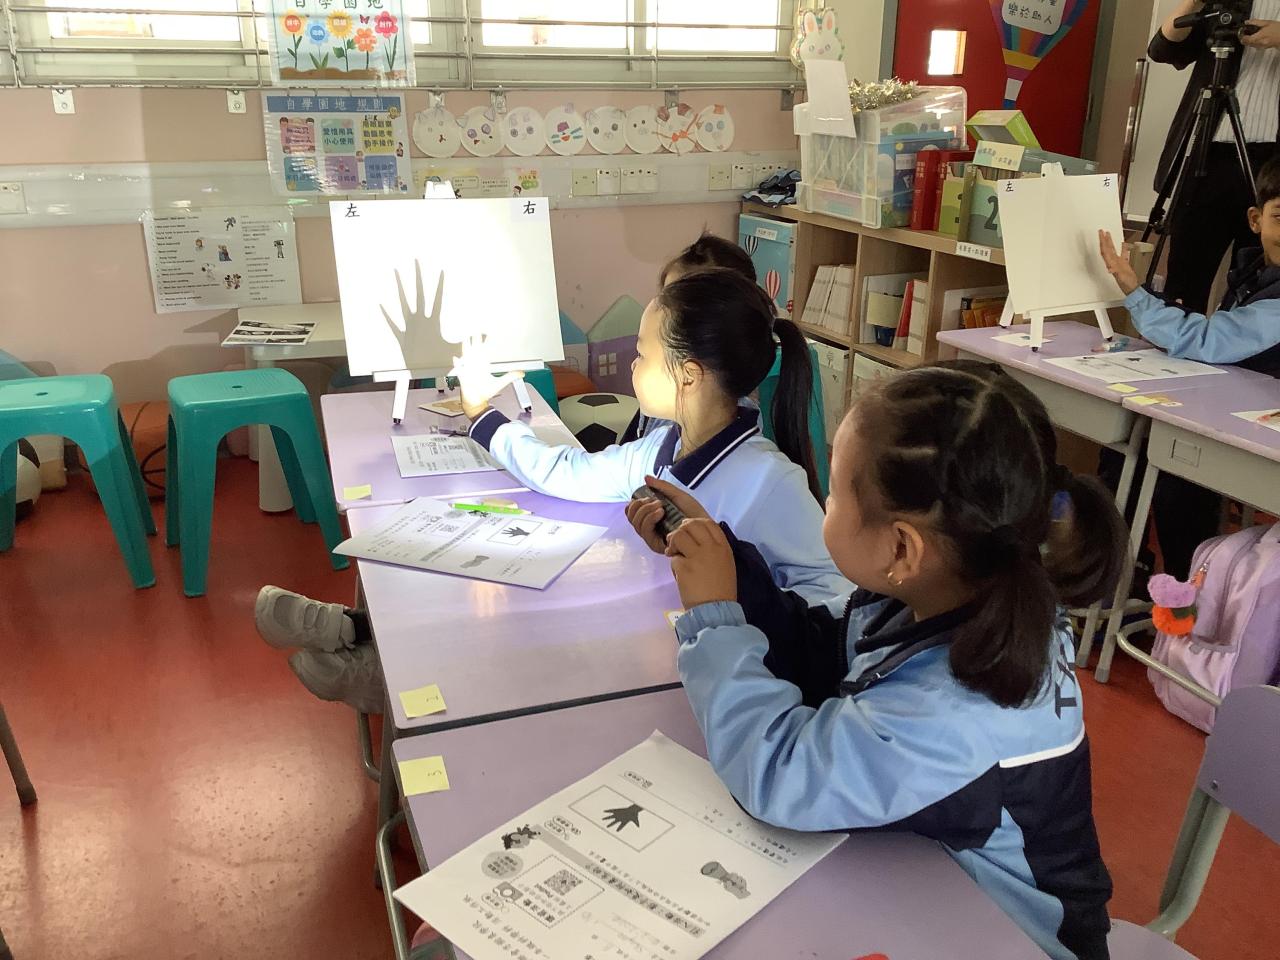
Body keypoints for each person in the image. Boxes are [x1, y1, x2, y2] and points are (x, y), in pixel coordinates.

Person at [629, 361, 1125, 960]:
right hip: (929, 892)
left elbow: (778, 773)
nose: (826, 501)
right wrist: (723, 564)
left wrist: (713, 620)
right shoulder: (962, 595)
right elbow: (826, 654)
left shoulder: (950, 715)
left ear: (901, 547)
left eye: (836, 491)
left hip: (1018, 940)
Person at [256, 268, 848, 710]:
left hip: (710, 659)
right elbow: (567, 473)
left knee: (528, 631)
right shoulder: (660, 450)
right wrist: (483, 415)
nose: (632, 366)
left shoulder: (770, 481)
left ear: (688, 374)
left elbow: (837, 610)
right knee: (515, 595)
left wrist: (734, 596)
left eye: (642, 354)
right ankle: (361, 640)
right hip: (665, 634)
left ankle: (376, 671)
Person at [1150, 0, 1280, 314]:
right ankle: (1175, 342)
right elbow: (1163, 49)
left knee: (1261, 287)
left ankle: (1244, 346)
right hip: (1209, 155)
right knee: (1184, 282)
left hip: (1274, 166)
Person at [1100, 154, 1280, 376]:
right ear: (1255, 219)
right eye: (1279, 217)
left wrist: (1135, 292)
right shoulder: (1252, 271)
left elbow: (1209, 340)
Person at [620, 231, 759, 444]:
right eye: (666, 297)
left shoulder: (728, 426)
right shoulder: (664, 400)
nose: (663, 310)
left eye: (680, 304)